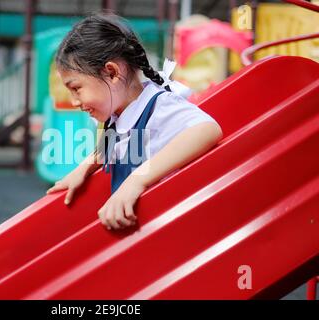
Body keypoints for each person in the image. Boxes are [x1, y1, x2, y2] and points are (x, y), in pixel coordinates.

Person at [46, 13, 223, 230]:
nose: (74, 101)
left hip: (167, 228)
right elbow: (111, 147)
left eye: (76, 88)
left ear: (111, 73)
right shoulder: (118, 116)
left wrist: (136, 180)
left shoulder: (158, 107)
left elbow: (206, 129)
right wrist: (83, 168)